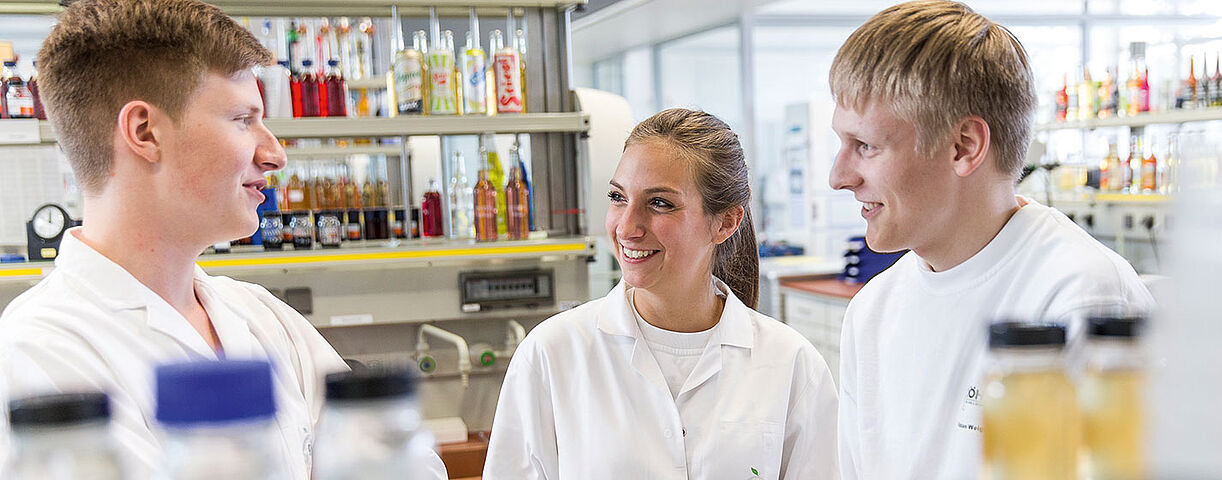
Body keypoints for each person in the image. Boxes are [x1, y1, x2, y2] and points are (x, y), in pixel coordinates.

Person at [0, 1, 443, 478]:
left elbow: (406, 464)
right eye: (242, 119)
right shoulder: (38, 353)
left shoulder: (260, 317)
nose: (275, 154)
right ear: (145, 131)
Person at [826, 2, 1156, 478]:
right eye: (842, 143)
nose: (838, 177)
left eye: (867, 146)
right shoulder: (872, 311)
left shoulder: (1081, 299)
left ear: (964, 147)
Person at [484, 108, 838, 479]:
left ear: (726, 222)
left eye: (660, 203)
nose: (626, 227)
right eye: (618, 197)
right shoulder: (552, 354)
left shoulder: (791, 364)